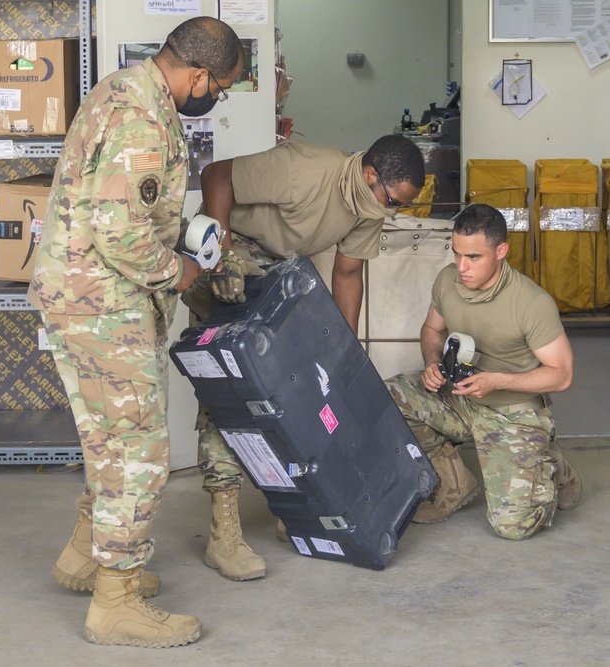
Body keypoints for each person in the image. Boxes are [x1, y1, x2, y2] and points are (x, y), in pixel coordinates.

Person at [27, 17, 243, 648]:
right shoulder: (142, 118)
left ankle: (84, 556)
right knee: (137, 448)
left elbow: (127, 208)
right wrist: (177, 269)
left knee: (108, 438)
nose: (215, 99)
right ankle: (114, 601)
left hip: (89, 296)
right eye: (220, 88)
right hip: (101, 304)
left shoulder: (125, 91)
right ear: (199, 74)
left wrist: (184, 232)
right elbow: (121, 233)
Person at [179, 135, 425, 581]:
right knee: (235, 391)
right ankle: (224, 532)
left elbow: (349, 274)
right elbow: (217, 175)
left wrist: (341, 353)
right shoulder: (305, 171)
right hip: (227, 252)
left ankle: (299, 509)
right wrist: (223, 258)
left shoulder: (368, 207)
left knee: (302, 392)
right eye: (395, 202)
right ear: (371, 177)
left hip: (280, 267)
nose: (396, 213)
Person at [384, 203, 582, 539]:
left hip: (512, 411)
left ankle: (549, 463)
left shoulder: (531, 303)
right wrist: (432, 362)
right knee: (389, 397)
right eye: (456, 253)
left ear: (501, 251)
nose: (461, 266)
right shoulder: (448, 280)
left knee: (513, 528)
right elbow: (432, 330)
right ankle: (452, 483)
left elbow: (562, 374)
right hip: (462, 399)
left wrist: (498, 381)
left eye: (473, 257)